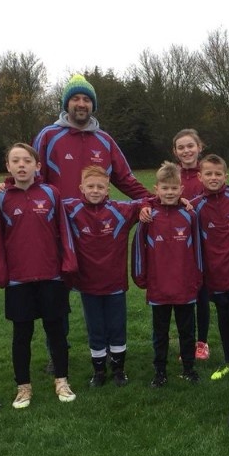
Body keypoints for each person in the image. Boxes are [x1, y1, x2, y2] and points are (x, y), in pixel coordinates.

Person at [31, 74, 152, 375]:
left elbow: (125, 179)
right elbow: (33, 177)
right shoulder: (48, 136)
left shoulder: (105, 140)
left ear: (92, 105)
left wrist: (157, 201)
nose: (81, 104)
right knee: (58, 294)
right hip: (59, 228)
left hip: (97, 231)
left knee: (97, 288)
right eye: (76, 98)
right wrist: (8, 188)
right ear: (66, 104)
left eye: (86, 99)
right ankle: (57, 352)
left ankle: (108, 351)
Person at [0, 142, 79, 409]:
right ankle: (23, 387)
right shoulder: (1, 197)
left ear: (37, 166)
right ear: (8, 167)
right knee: (22, 335)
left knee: (56, 331)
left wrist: (68, 264)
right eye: (15, 161)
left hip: (51, 275)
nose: (22, 165)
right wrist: (1, 272)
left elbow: (64, 230)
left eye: (27, 161)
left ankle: (61, 381)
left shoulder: (51, 193)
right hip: (18, 279)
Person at [63, 165, 152, 388]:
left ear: (108, 190)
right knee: (96, 329)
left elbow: (149, 200)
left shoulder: (121, 210)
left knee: (117, 327)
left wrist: (145, 206)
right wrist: (7, 185)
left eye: (100, 187)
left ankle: (119, 370)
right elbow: (42, 202)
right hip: (88, 284)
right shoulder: (70, 209)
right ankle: (99, 371)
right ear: (81, 188)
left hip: (115, 284)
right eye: (90, 186)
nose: (95, 190)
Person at [132, 162, 204, 387]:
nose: (170, 192)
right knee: (160, 332)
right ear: (157, 189)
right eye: (165, 188)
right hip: (159, 285)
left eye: (174, 188)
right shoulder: (148, 216)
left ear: (181, 189)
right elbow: (138, 247)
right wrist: (141, 276)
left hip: (184, 284)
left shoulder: (190, 215)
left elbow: (198, 249)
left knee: (187, 331)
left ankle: (189, 368)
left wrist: (197, 276)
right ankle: (160, 371)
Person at [190, 154, 229, 381]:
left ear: (226, 176)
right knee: (223, 316)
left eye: (218, 174)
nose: (213, 177)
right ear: (200, 177)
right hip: (213, 273)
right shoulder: (195, 206)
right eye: (208, 174)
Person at [171, 129, 211, 363]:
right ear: (175, 151)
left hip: (204, 243)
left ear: (199, 147)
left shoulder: (207, 173)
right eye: (181, 147)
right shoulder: (172, 175)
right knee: (184, 298)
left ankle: (202, 343)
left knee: (202, 296)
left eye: (190, 146)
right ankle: (186, 342)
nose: (186, 151)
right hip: (178, 245)